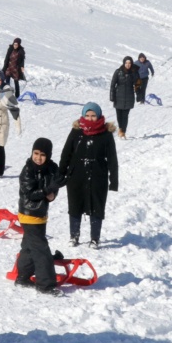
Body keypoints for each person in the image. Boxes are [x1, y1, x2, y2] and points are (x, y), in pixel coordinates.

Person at [60, 103, 119, 248]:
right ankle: (74, 236)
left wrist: (114, 180)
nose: (90, 118)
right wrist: (61, 173)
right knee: (75, 205)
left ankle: (95, 238)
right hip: (76, 175)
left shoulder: (106, 134)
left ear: (98, 116)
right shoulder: (76, 132)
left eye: (93, 116)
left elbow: (112, 158)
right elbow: (66, 153)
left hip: (98, 176)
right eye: (87, 115)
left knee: (97, 206)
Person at [15, 138, 63, 295]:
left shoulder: (52, 167)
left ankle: (23, 277)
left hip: (40, 214)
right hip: (28, 214)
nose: (38, 157)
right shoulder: (28, 170)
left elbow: (56, 183)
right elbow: (31, 193)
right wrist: (47, 191)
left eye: (42, 154)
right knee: (41, 250)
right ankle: (46, 285)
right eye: (36, 153)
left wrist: (53, 194)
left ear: (48, 155)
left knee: (29, 248)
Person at [109, 56, 138, 139]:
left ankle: (123, 132)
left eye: (129, 63)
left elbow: (138, 83)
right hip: (118, 97)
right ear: (124, 63)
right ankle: (121, 129)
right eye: (126, 63)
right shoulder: (118, 72)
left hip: (129, 97)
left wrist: (139, 93)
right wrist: (112, 96)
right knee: (119, 115)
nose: (128, 65)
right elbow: (112, 84)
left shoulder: (133, 73)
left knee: (125, 115)